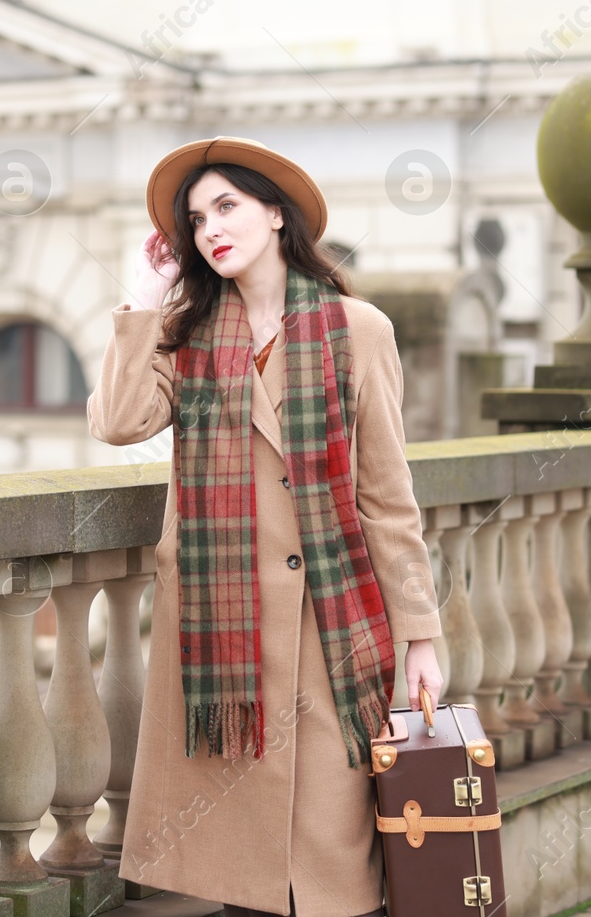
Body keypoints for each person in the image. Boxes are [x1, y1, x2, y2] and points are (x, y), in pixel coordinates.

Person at [86, 137, 445, 917]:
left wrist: (420, 634)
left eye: (227, 206)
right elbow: (117, 422)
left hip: (332, 637)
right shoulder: (184, 337)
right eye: (195, 218)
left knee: (334, 878)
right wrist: (146, 302)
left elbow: (388, 498)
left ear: (276, 213)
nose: (211, 227)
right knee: (244, 883)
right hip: (223, 645)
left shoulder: (359, 329)